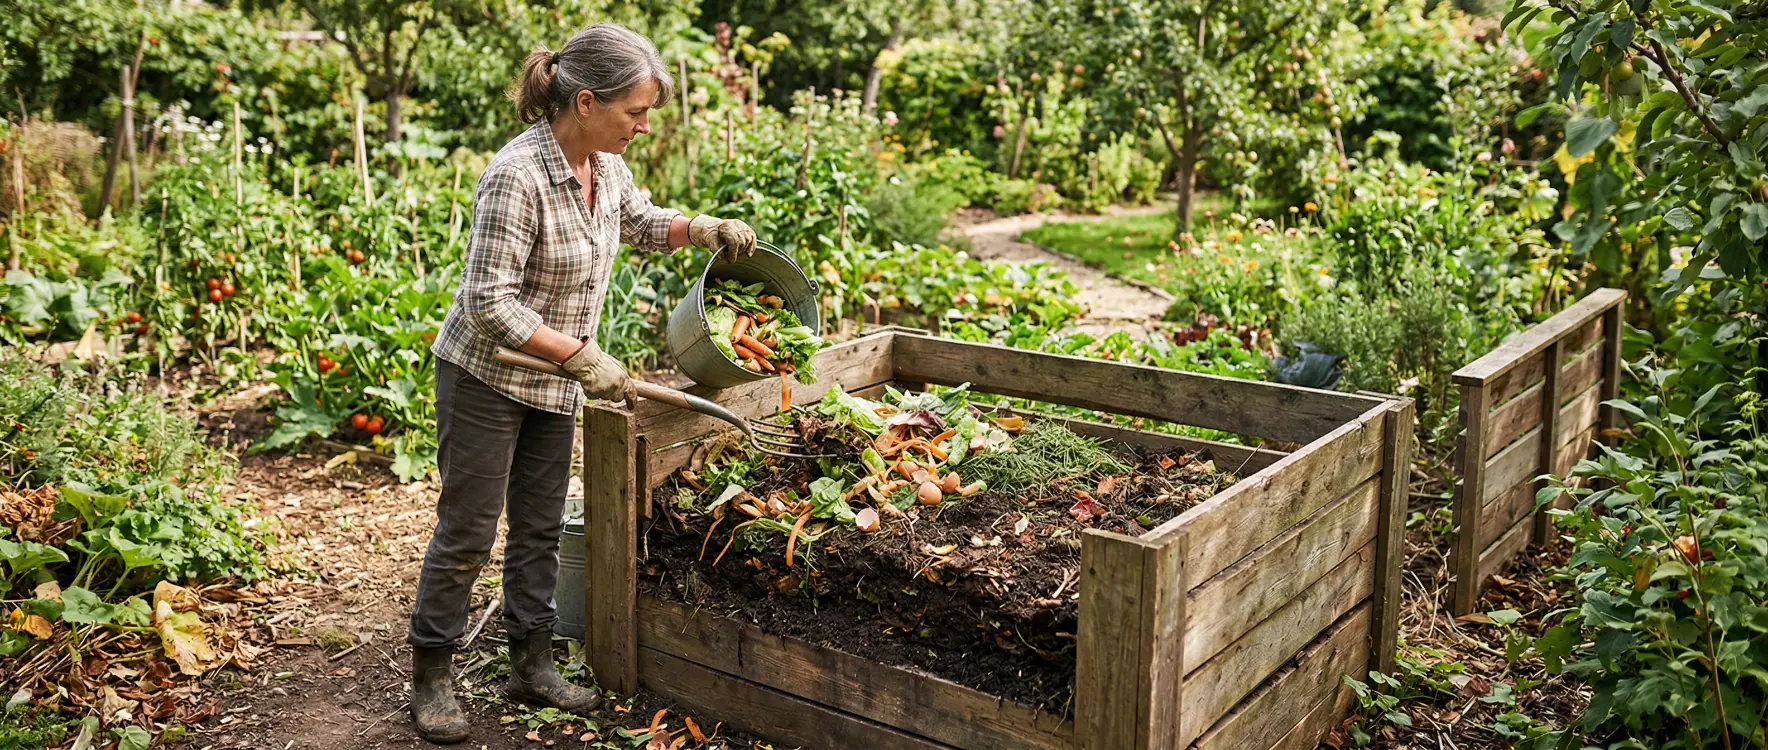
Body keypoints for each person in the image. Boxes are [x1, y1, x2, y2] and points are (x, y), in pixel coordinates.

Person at [409, 23, 757, 743]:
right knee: (470, 530)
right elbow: (488, 302)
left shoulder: (607, 166)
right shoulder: (518, 175)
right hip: (486, 375)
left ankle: (531, 662)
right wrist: (581, 355)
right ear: (589, 101)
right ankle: (432, 672)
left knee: (539, 527)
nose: (644, 125)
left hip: (555, 380)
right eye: (636, 111)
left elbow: (640, 222)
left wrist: (703, 226)